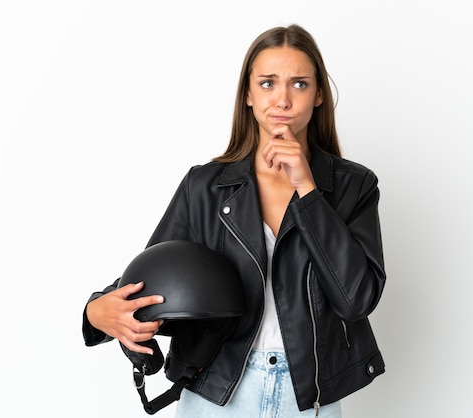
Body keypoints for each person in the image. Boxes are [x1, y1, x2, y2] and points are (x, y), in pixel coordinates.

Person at [83, 24, 386, 417]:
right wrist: (95, 312)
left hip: (308, 399)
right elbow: (152, 278)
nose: (282, 99)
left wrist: (308, 191)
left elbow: (357, 299)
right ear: (247, 94)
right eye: (266, 83)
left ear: (318, 95)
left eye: (298, 84)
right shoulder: (205, 186)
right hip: (218, 393)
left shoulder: (353, 186)